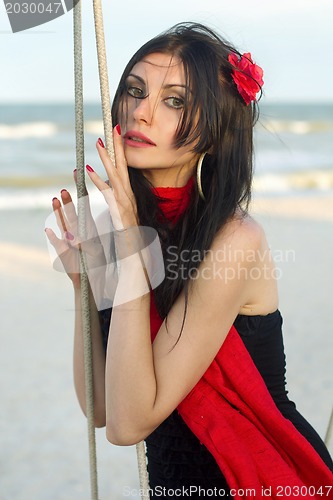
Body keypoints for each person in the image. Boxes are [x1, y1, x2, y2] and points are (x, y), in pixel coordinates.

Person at [45, 22, 333, 497]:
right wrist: (83, 285)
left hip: (258, 480)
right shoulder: (125, 224)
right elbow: (102, 408)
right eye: (134, 91)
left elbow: (129, 426)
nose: (141, 111)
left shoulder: (235, 239)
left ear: (214, 134)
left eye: (174, 101)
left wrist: (128, 242)